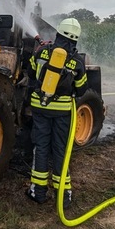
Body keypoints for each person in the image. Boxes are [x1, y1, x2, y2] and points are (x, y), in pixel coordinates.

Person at [25, 18, 88, 209]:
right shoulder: (76, 61)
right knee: (61, 150)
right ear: (75, 40)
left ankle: (38, 191)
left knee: (41, 147)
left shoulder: (42, 51)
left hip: (40, 109)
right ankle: (64, 195)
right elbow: (82, 89)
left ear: (57, 34)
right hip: (62, 113)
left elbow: (30, 72)